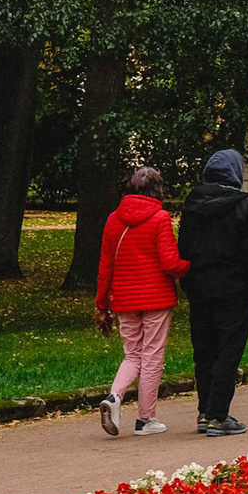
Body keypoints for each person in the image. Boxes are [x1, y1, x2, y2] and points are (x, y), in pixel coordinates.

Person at [178, 149, 248, 437]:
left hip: (200, 286)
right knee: (229, 349)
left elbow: (184, 246)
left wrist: (188, 282)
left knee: (204, 350)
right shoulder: (247, 205)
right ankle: (219, 414)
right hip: (234, 288)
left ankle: (205, 411)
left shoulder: (192, 204)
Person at [95, 165, 186, 437]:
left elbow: (105, 265)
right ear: (157, 189)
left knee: (132, 355)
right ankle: (145, 419)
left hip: (124, 299)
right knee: (152, 356)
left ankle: (114, 397)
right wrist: (189, 267)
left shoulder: (113, 219)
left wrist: (102, 302)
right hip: (156, 297)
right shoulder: (160, 218)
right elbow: (170, 262)